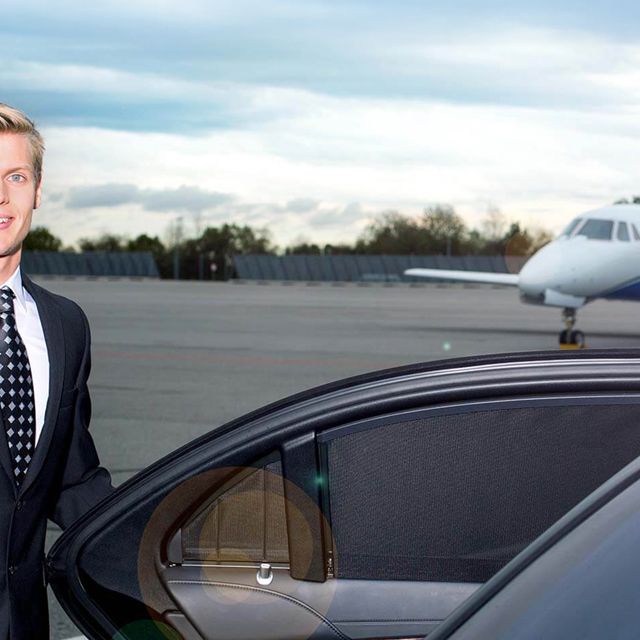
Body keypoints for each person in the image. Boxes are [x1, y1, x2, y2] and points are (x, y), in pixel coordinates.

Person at [0, 103, 113, 639]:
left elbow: (72, 479)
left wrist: (162, 537)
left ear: (37, 190)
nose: (1, 197)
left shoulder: (65, 325)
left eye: (15, 176)